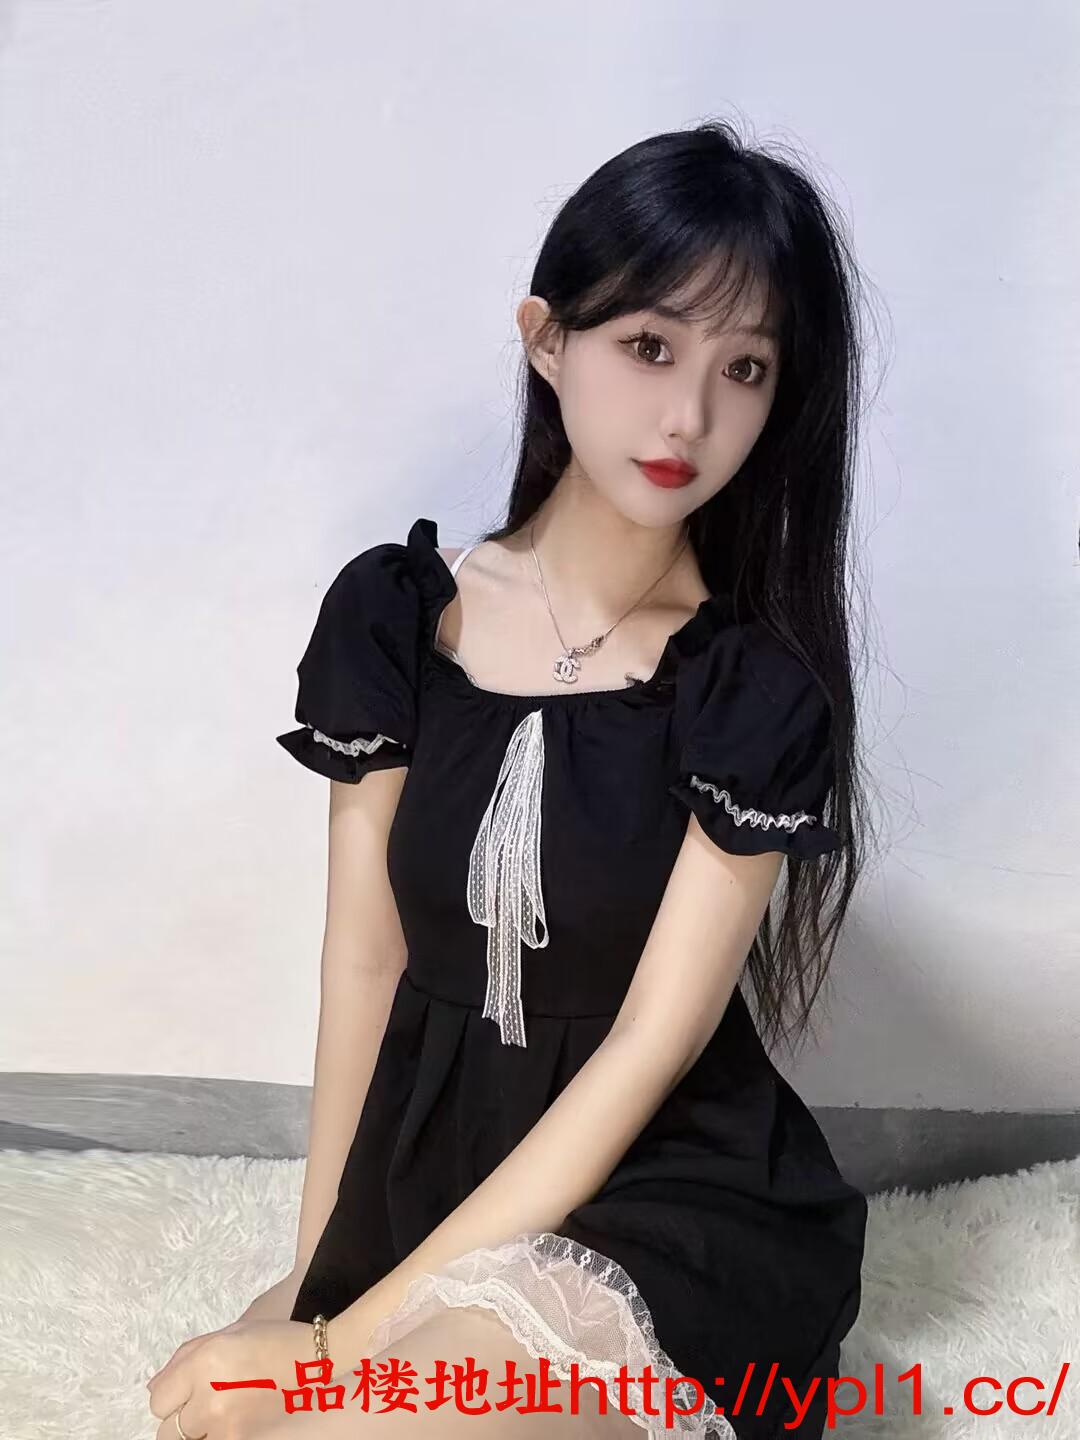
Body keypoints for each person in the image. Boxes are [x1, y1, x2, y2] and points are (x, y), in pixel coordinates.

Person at [147, 119, 873, 1440]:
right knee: (223, 1411)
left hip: (666, 1199)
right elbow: (365, 963)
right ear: (548, 341)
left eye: (744, 369)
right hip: (437, 1165)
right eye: (648, 346)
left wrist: (338, 1356)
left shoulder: (750, 695)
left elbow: (651, 1047)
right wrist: (315, 1294)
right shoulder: (397, 620)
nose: (689, 417)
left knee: (363, 1419)